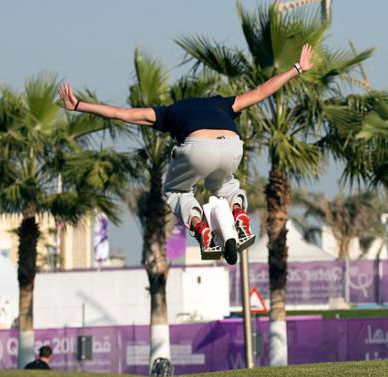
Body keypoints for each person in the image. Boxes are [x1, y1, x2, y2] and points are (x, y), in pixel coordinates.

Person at [59, 44, 314, 265]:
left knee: (176, 191)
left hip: (197, 148)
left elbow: (120, 113)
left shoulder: (168, 112)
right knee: (226, 185)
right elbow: (262, 91)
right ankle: (238, 213)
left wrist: (79, 105)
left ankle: (200, 228)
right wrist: (297, 68)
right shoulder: (223, 103)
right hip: (232, 146)